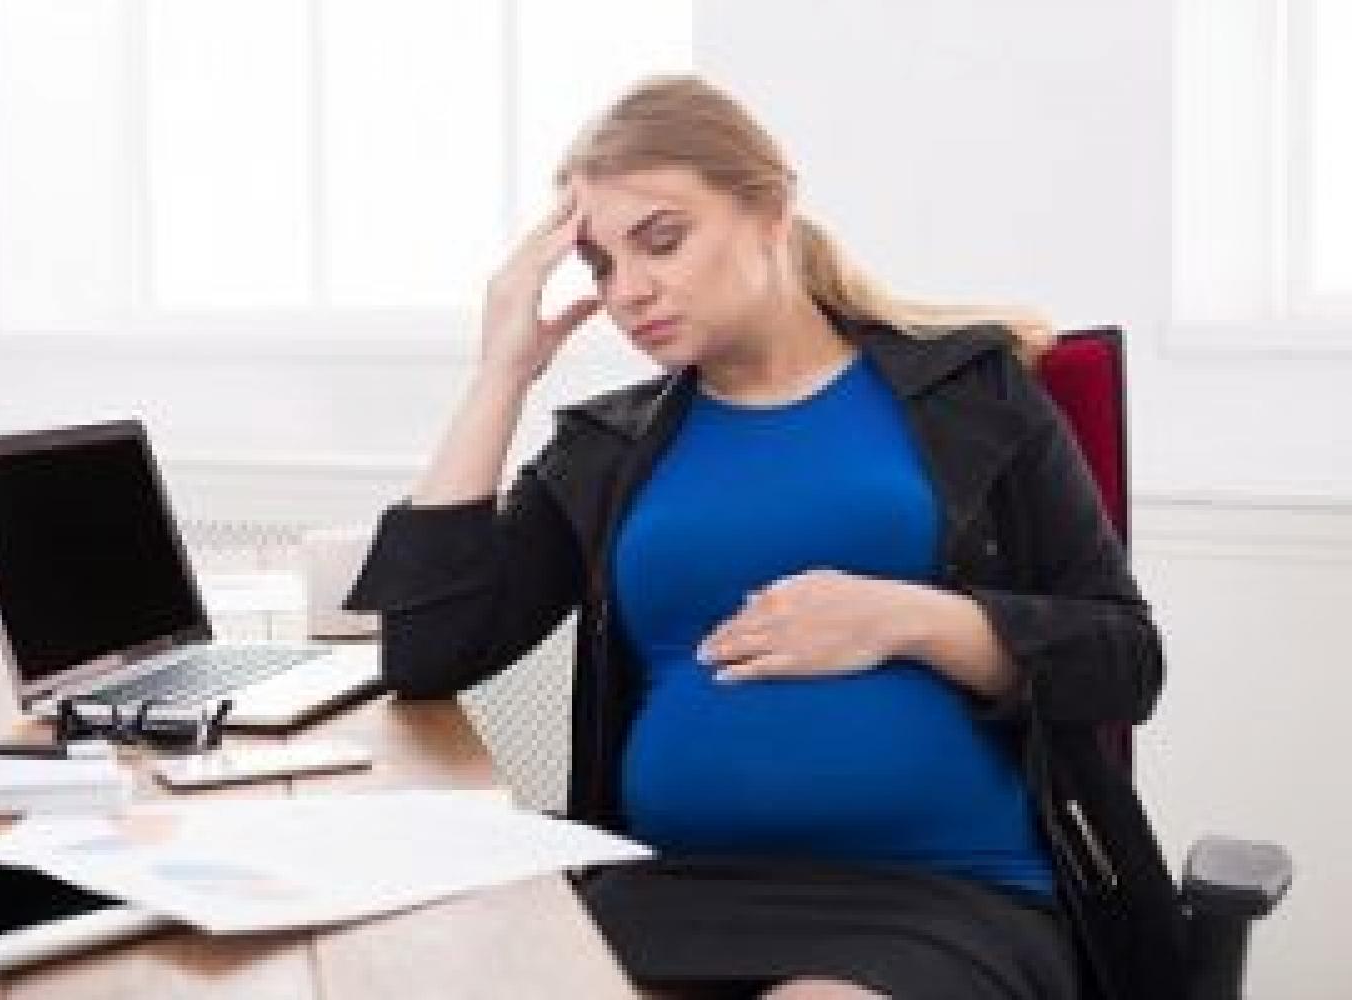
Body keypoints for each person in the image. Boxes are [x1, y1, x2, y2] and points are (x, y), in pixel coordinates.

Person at [344, 74, 1188, 1000]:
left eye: (661, 240)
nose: (630, 291)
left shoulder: (972, 393)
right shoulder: (607, 448)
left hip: (947, 901)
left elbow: (1124, 660)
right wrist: (502, 370)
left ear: (770, 210)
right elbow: (427, 652)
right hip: (669, 893)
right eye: (600, 267)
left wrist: (914, 620)